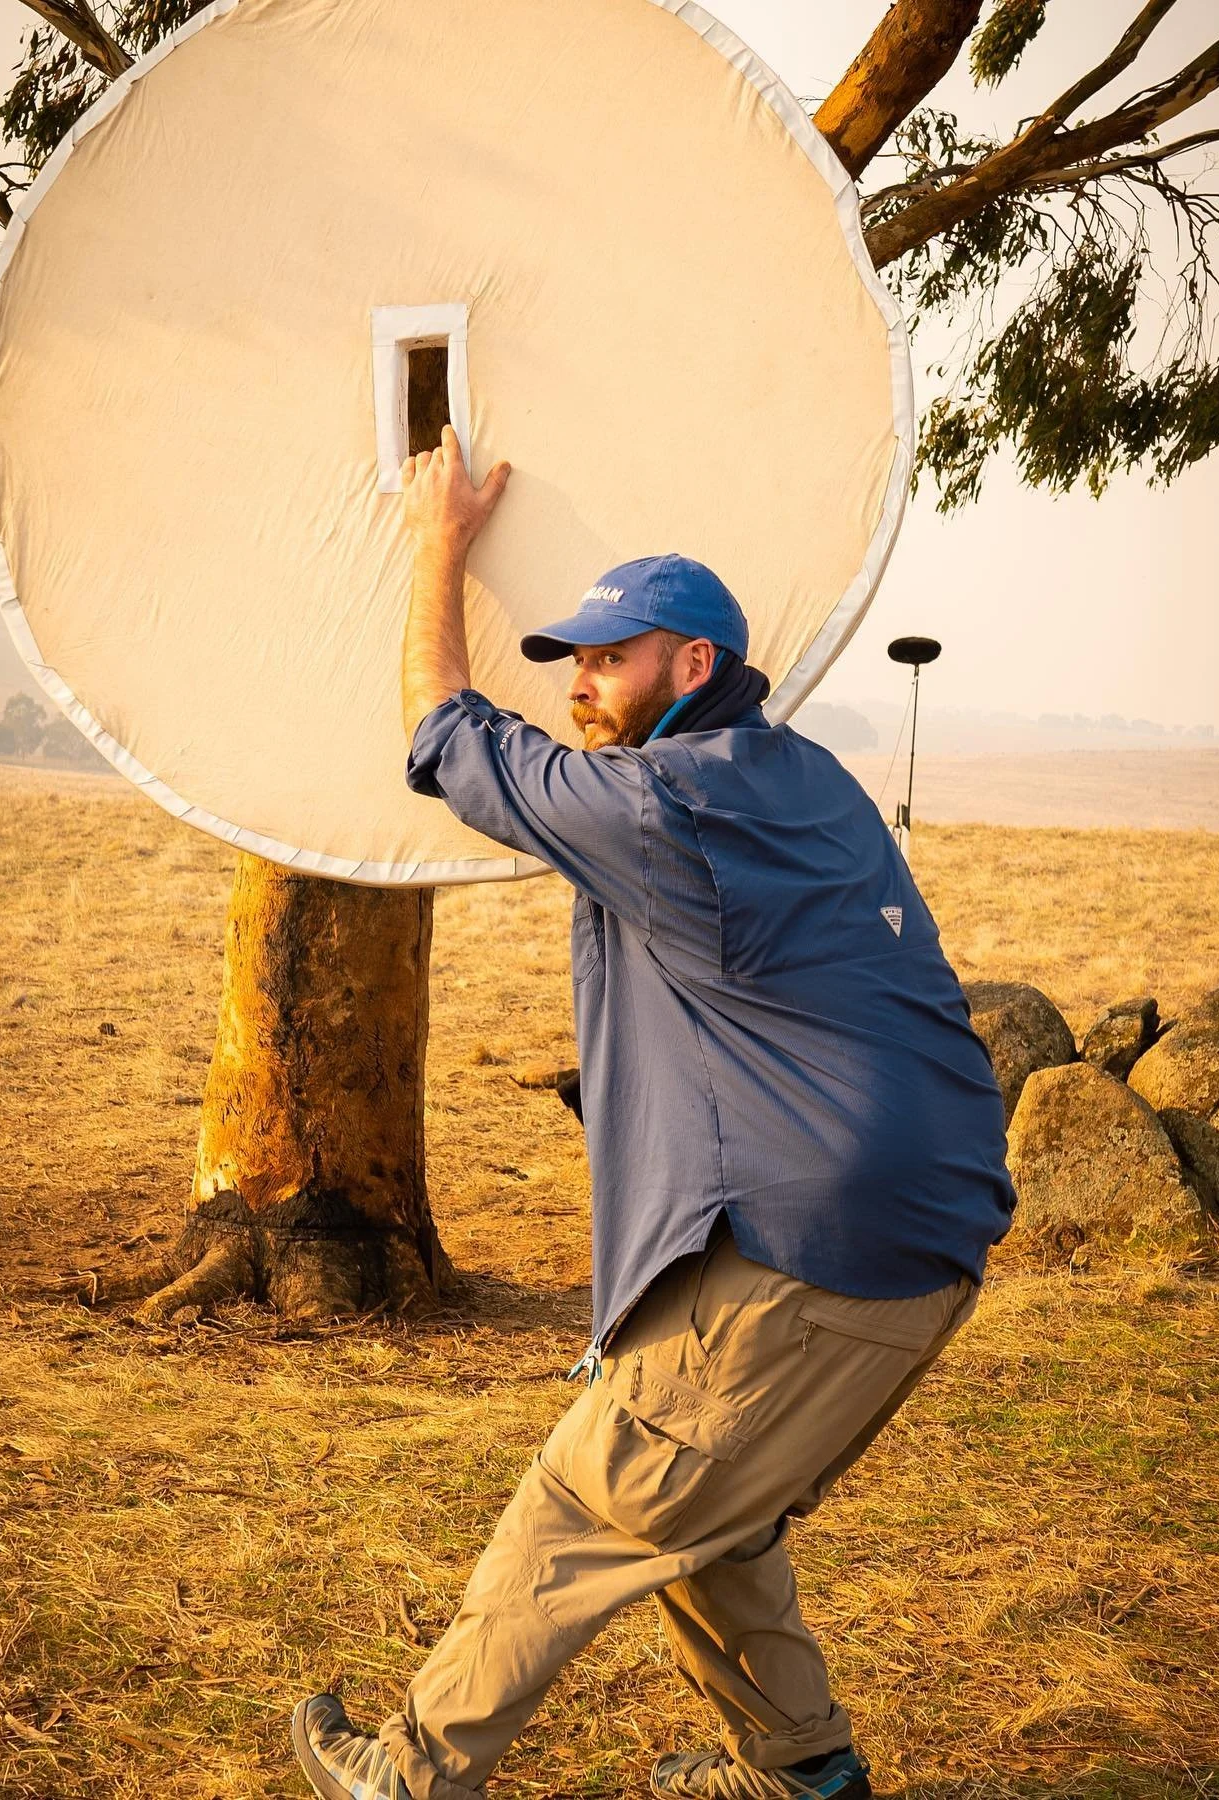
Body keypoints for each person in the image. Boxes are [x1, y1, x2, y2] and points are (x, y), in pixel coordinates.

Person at [291, 426, 1015, 1800]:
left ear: (693, 668)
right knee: (710, 1507)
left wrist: (438, 542)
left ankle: (409, 1772)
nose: (578, 683)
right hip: (924, 1243)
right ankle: (799, 1775)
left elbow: (445, 736)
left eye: (606, 659)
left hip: (817, 1245)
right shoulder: (800, 778)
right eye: (570, 658)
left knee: (591, 1498)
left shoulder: (665, 803)